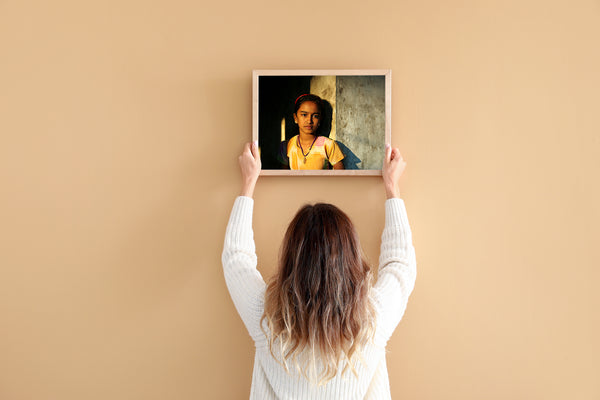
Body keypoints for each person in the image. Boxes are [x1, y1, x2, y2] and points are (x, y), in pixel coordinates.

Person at [222, 142, 416, 399]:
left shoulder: (267, 318)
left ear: (292, 259)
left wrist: (248, 184)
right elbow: (400, 264)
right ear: (351, 258)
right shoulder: (372, 320)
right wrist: (392, 188)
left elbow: (236, 258)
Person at [281, 94, 345, 170]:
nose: (309, 120)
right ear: (295, 118)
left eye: (315, 116)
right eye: (304, 115)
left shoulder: (329, 145)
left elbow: (341, 176)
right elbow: (282, 176)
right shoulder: (286, 146)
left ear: (320, 119)